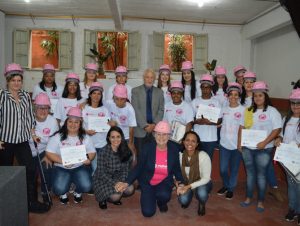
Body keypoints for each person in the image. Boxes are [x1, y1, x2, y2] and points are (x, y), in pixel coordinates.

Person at [0, 63, 50, 213]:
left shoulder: (26, 97)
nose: (16, 83)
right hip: (5, 141)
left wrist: (33, 134)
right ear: (7, 80)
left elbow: (29, 118)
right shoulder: (1, 96)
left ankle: (31, 202)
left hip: (22, 141)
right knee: (5, 173)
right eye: (13, 80)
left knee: (30, 169)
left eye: (19, 80)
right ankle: (5, 204)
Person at [115, 121, 184, 217]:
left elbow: (177, 169)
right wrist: (127, 182)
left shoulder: (173, 149)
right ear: (154, 135)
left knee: (164, 195)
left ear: (169, 136)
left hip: (164, 181)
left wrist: (181, 184)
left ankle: (161, 202)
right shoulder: (147, 148)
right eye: (158, 134)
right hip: (148, 182)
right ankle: (150, 196)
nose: (161, 138)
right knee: (148, 213)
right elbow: (139, 167)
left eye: (164, 135)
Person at [238, 81, 282, 212]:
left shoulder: (272, 111)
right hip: (248, 149)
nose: (257, 98)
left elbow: (277, 129)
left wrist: (265, 142)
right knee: (250, 174)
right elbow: (242, 127)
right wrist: (240, 143)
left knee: (261, 176)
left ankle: (261, 201)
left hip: (264, 149)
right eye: (255, 96)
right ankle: (248, 197)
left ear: (265, 96)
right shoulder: (249, 110)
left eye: (260, 95)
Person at [46, 107, 96, 204]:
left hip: (79, 166)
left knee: (87, 186)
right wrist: (62, 161)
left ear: (80, 124)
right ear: (66, 122)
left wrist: (88, 158)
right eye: (70, 121)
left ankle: (78, 191)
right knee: (58, 189)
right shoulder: (58, 136)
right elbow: (49, 152)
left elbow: (92, 152)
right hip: (61, 167)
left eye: (76, 122)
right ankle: (63, 193)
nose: (73, 124)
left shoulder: (85, 137)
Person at [274, 88, 300, 223]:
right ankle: (292, 209)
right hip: (288, 159)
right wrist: (278, 139)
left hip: (299, 159)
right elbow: (282, 136)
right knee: (291, 185)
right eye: (293, 103)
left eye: (298, 103)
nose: (295, 106)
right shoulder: (286, 119)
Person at [93, 126, 135, 209]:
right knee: (115, 197)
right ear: (108, 138)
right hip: (103, 179)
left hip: (118, 177)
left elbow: (125, 170)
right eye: (113, 137)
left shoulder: (126, 150)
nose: (116, 139)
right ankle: (103, 199)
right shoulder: (103, 152)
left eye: (118, 137)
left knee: (130, 189)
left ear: (122, 137)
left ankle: (117, 194)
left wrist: (121, 183)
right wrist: (115, 183)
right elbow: (101, 173)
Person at [29, 93, 59, 203]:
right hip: (27, 151)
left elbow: (54, 142)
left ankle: (45, 191)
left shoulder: (53, 121)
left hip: (43, 151)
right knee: (29, 171)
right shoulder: (27, 119)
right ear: (34, 108)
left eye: (45, 108)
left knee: (46, 165)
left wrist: (47, 155)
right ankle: (30, 194)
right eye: (40, 108)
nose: (43, 111)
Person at [217, 82, 244, 200]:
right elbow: (218, 122)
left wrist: (240, 143)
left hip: (236, 145)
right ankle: (226, 185)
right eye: (231, 94)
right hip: (224, 144)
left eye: (236, 94)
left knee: (234, 169)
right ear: (227, 96)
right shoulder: (223, 109)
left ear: (239, 96)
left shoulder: (244, 110)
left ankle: (230, 189)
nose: (233, 97)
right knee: (223, 169)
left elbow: (243, 128)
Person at [177, 131, 212, 216]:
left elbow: (206, 178)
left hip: (202, 183)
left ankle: (202, 203)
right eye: (187, 140)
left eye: (193, 141)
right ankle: (188, 198)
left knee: (202, 193)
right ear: (183, 141)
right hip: (186, 182)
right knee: (183, 200)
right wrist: (178, 184)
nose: (190, 143)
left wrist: (188, 186)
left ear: (197, 144)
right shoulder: (179, 156)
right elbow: (175, 173)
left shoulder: (203, 156)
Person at [131, 69, 164, 155]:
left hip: (154, 131)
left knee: (153, 157)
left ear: (154, 79)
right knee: (140, 158)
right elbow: (135, 109)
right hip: (140, 131)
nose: (149, 80)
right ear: (143, 78)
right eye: (147, 77)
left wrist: (154, 125)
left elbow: (161, 110)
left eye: (152, 77)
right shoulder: (135, 91)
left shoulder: (159, 92)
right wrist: (145, 126)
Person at [82, 82, 111, 174]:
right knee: (88, 170)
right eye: (94, 93)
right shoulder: (84, 109)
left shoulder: (105, 110)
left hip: (102, 145)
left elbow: (108, 127)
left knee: (98, 170)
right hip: (88, 146)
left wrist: (111, 124)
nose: (96, 96)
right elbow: (77, 127)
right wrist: (86, 131)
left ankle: (96, 187)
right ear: (90, 95)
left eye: (99, 93)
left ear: (101, 95)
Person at [192, 74, 221, 161]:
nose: (205, 89)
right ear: (200, 88)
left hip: (211, 139)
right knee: (196, 162)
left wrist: (209, 122)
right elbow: (191, 119)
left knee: (208, 163)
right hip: (197, 138)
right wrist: (198, 121)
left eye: (207, 87)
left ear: (211, 88)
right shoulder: (195, 102)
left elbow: (220, 120)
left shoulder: (216, 102)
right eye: (203, 87)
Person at [106, 84, 137, 161]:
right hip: (113, 138)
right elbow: (100, 109)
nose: (119, 102)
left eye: (122, 99)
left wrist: (130, 143)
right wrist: (108, 121)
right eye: (117, 99)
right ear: (113, 98)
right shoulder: (109, 103)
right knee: (113, 160)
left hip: (125, 138)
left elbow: (131, 128)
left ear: (126, 98)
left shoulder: (130, 109)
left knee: (125, 159)